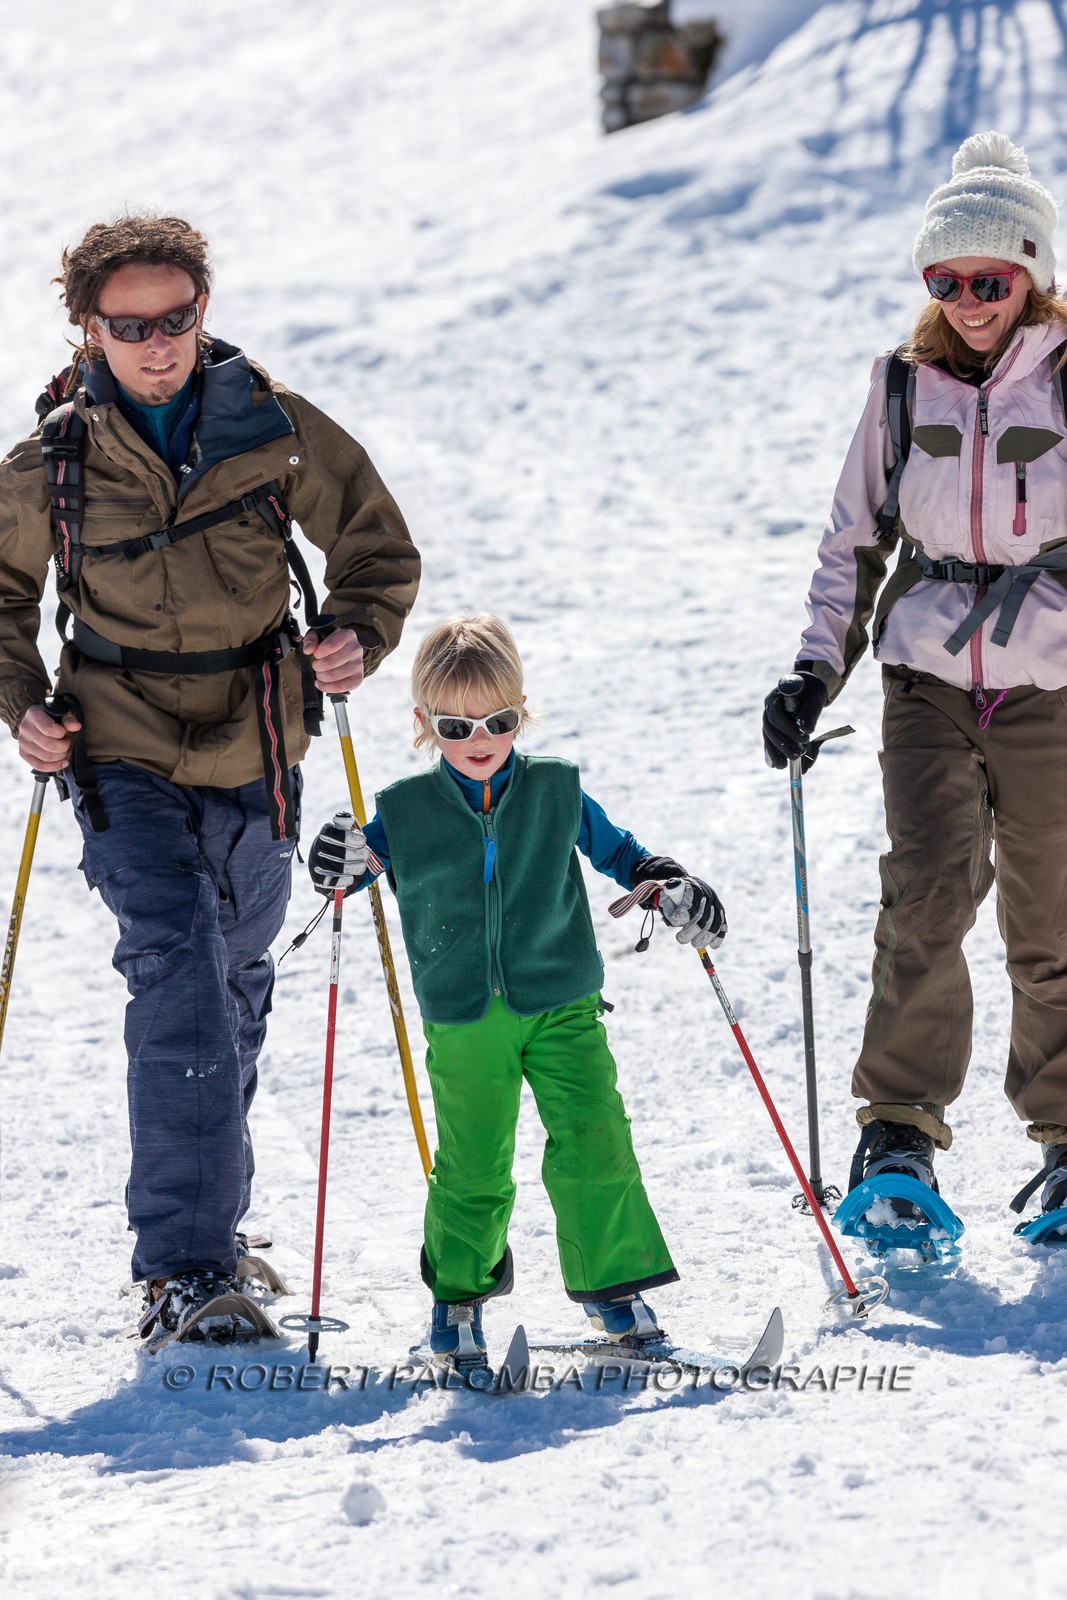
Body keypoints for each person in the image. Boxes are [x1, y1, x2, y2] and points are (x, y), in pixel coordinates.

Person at [0, 214, 420, 1338]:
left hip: (259, 744)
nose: (156, 343)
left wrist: (355, 636)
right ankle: (184, 1268)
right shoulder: (56, 461)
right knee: (179, 971)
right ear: (90, 327)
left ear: (203, 309)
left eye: (175, 318)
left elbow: (377, 548)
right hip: (121, 741)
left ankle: (214, 1224)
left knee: (235, 983)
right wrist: (25, 704)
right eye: (129, 325)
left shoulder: (274, 431)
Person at [762, 131, 1067, 1235]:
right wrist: (810, 672)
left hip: (1052, 684)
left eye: (987, 280)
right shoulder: (902, 385)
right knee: (925, 898)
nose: (966, 300)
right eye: (943, 280)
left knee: (1053, 915)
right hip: (927, 680)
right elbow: (853, 540)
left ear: (1031, 273)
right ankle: (895, 1129)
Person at [308, 613, 727, 1365]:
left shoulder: (554, 788)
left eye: (498, 721)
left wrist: (664, 882)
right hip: (465, 1020)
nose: (479, 739)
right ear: (422, 723)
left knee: (596, 1141)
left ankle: (613, 1292)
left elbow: (621, 853)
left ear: (520, 710)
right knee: (472, 1163)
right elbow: (351, 869)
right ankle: (457, 1301)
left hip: (562, 1001)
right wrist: (334, 859)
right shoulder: (405, 811)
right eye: (455, 724)